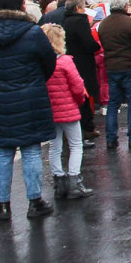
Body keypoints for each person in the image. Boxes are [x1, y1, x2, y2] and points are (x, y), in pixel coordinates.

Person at [0, 0, 57, 221]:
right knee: (31, 149)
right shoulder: (32, 32)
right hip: (30, 94)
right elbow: (49, 61)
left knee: (3, 151)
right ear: (20, 5)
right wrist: (35, 79)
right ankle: (34, 201)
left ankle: (3, 205)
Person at [41, 24, 93, 200]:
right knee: (75, 145)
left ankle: (59, 181)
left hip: (49, 109)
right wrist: (79, 102)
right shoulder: (65, 61)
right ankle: (74, 180)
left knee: (54, 146)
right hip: (68, 108)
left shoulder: (40, 63)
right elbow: (78, 86)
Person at [99, 0, 131, 150]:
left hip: (112, 66)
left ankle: (111, 138)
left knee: (113, 103)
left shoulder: (104, 24)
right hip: (130, 66)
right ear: (126, 5)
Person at [61, 0, 101, 143]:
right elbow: (88, 42)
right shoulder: (80, 21)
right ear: (78, 8)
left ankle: (80, 128)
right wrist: (97, 46)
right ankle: (86, 128)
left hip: (70, 60)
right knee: (83, 96)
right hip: (82, 62)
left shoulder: (64, 20)